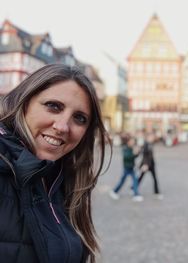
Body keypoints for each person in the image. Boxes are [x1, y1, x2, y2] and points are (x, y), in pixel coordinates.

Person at [0, 64, 111, 263]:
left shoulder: (61, 180)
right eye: (54, 106)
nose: (62, 127)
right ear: (24, 102)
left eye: (79, 118)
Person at [109, 135, 143, 202]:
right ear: (128, 142)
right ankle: (114, 191)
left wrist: (138, 153)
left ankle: (136, 194)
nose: (133, 142)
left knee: (135, 180)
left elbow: (134, 156)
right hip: (127, 167)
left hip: (131, 167)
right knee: (123, 181)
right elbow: (127, 157)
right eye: (132, 141)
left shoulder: (131, 148)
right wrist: (134, 153)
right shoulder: (125, 148)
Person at [137, 134, 163, 199]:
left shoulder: (150, 144)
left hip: (151, 164)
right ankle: (133, 187)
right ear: (148, 137)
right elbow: (144, 156)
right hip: (147, 165)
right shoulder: (146, 144)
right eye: (151, 137)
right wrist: (145, 164)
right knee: (141, 177)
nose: (152, 138)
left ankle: (156, 192)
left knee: (154, 178)